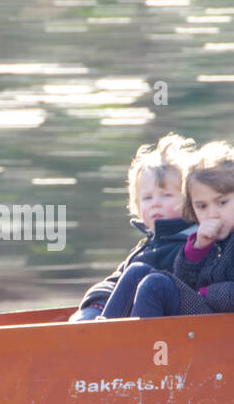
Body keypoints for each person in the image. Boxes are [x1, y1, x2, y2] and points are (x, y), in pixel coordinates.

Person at [99, 141, 234, 319]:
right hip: (216, 316)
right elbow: (185, 283)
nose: (213, 213)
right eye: (202, 206)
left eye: (222, 202)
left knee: (155, 285)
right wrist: (198, 249)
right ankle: (98, 339)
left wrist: (207, 293)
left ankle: (123, 349)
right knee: (138, 271)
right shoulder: (219, 235)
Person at [69, 134, 197, 322]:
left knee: (138, 271)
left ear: (189, 200)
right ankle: (95, 331)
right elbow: (117, 281)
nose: (155, 204)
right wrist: (95, 304)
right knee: (85, 316)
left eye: (166, 195)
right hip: (131, 319)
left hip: (169, 325)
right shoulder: (147, 245)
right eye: (147, 198)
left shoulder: (190, 244)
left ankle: (103, 337)